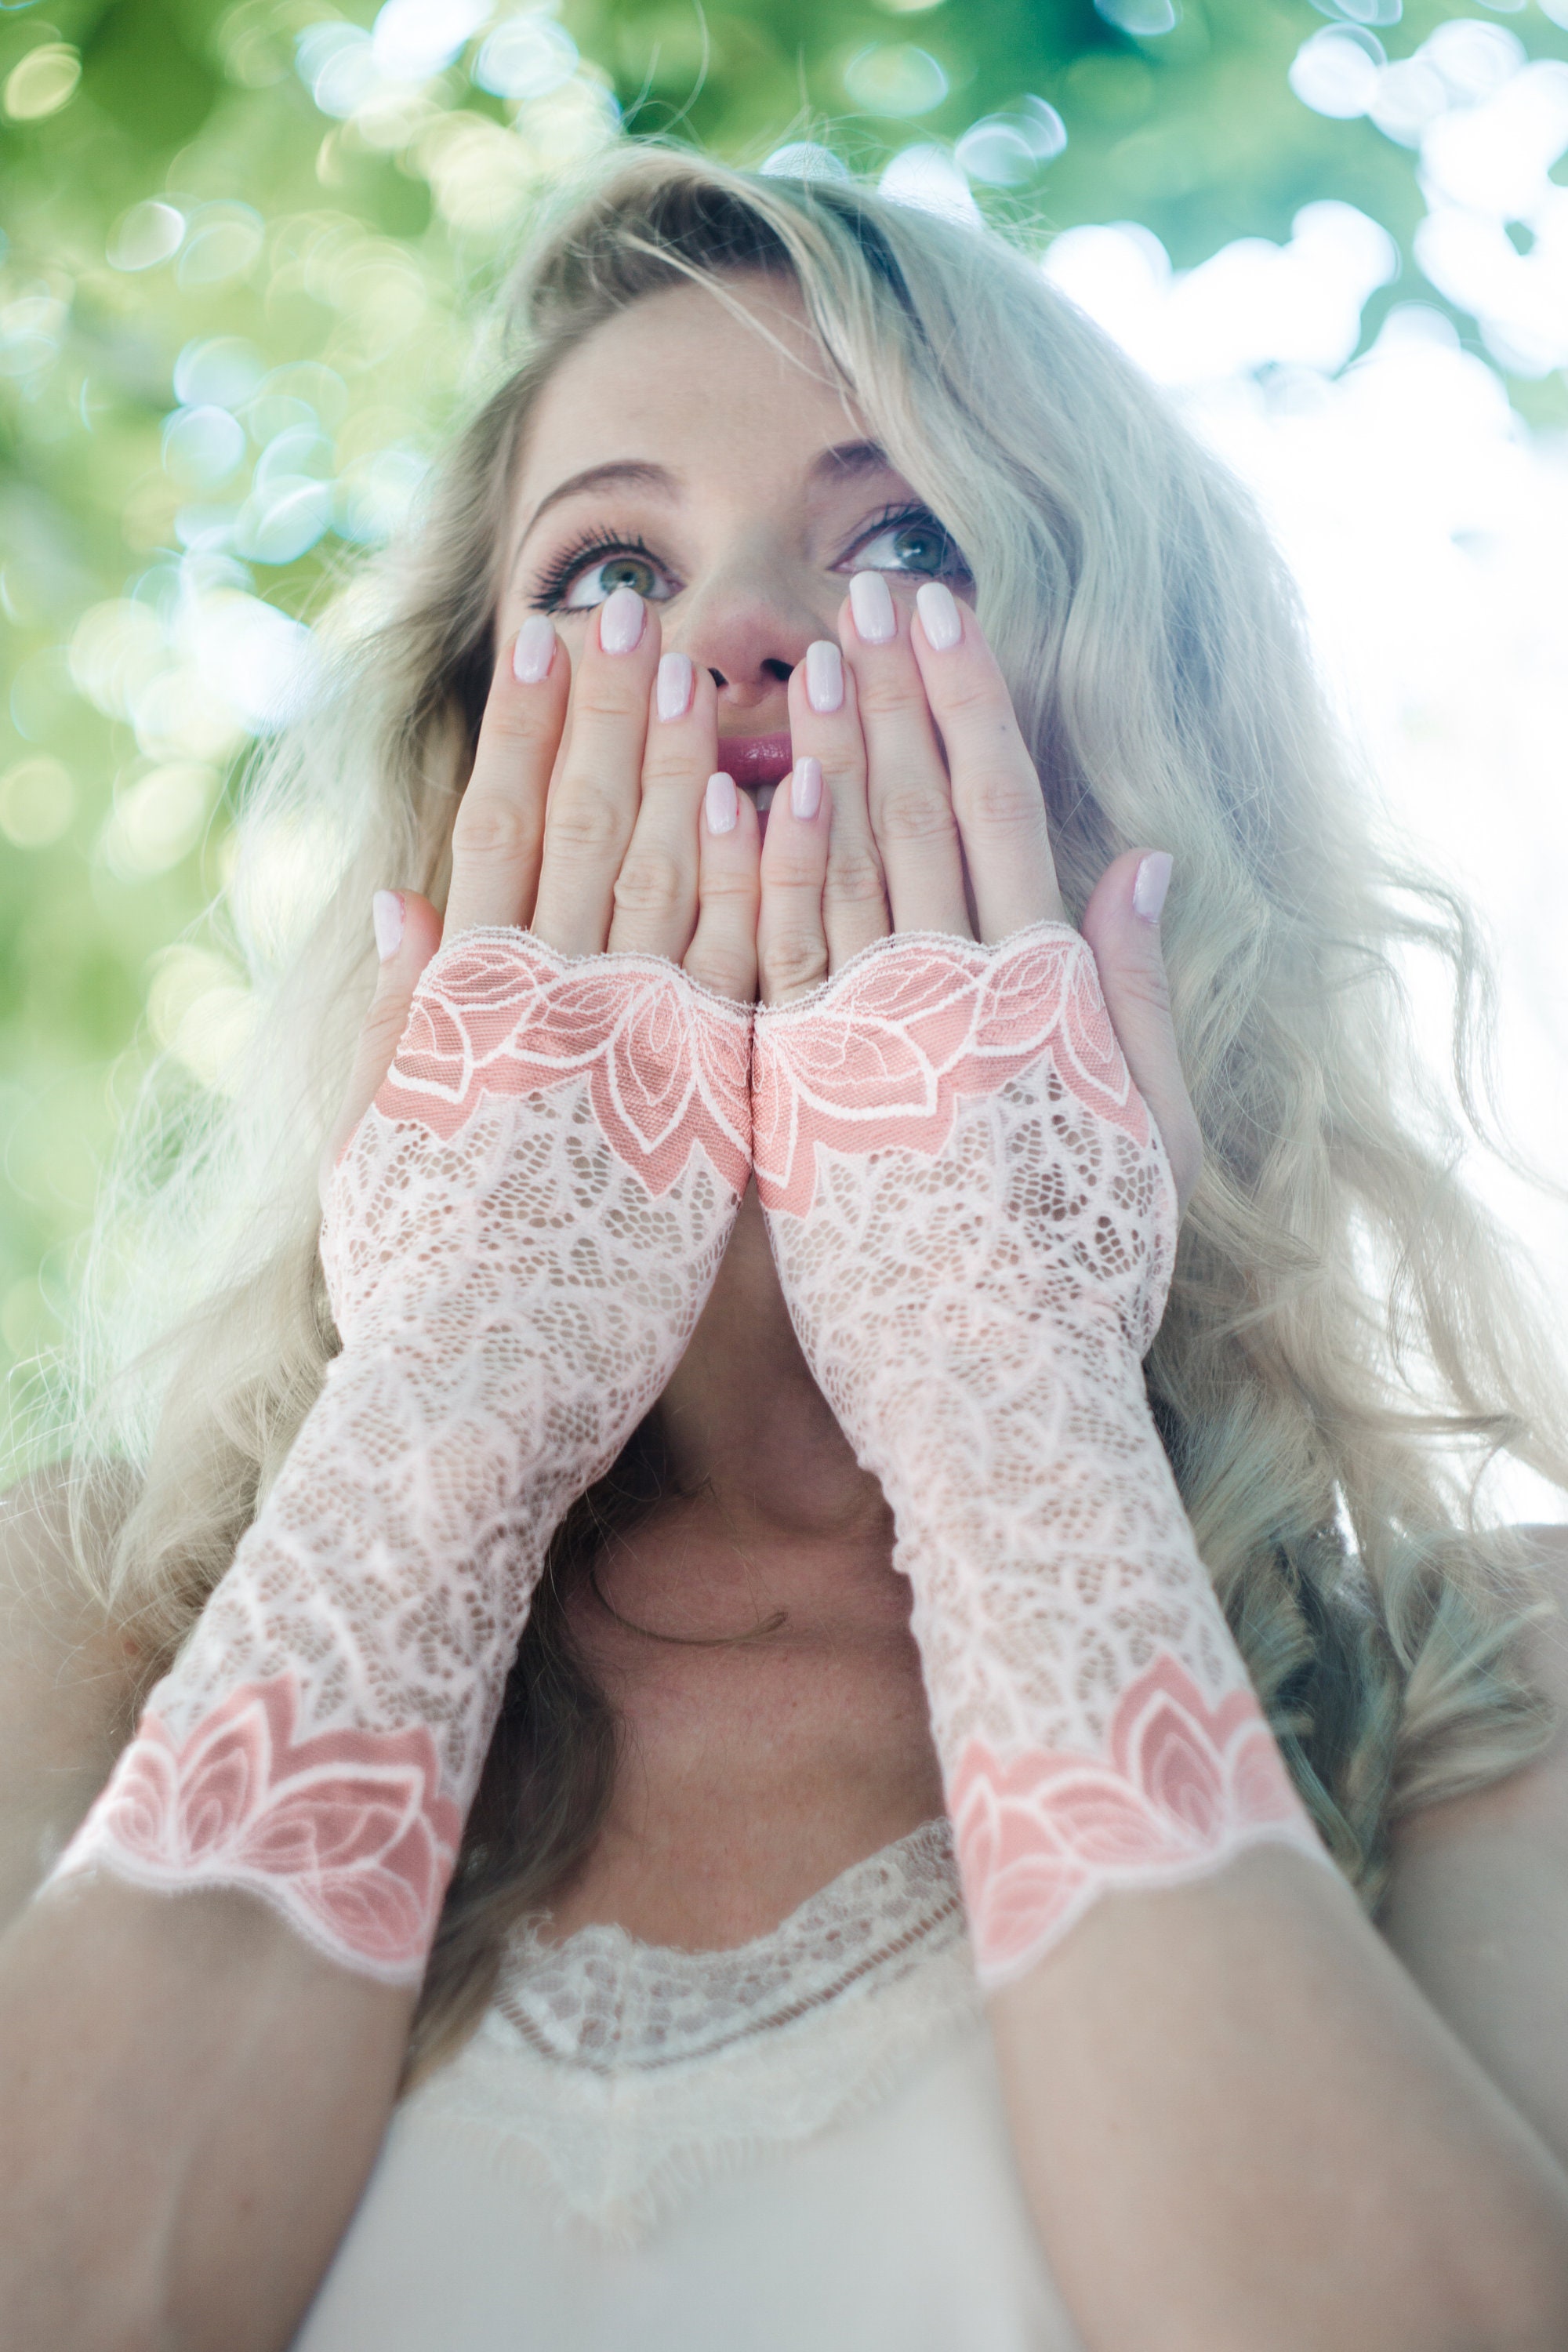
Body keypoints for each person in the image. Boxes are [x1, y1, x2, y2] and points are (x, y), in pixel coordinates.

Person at [2, 146, 1567, 2352]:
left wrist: (999, 1382)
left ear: (1132, 758)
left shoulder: (1486, 1683)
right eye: (607, 571)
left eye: (908, 543)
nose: (736, 629)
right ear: (466, 786)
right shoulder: (75, 1617)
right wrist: (452, 1395)